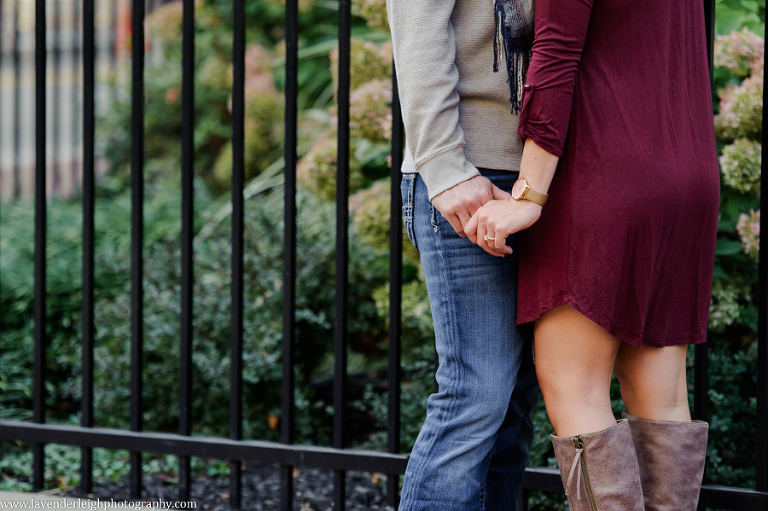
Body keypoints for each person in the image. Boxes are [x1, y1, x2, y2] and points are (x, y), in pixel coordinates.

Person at [465, 0, 719, 509]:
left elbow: (555, 56)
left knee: (575, 391)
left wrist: (528, 195)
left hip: (602, 172)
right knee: (662, 399)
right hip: (685, 170)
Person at [386, 1, 541, 510]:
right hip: (471, 172)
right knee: (478, 394)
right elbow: (419, 36)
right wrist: (445, 166)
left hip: (537, 179)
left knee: (513, 412)